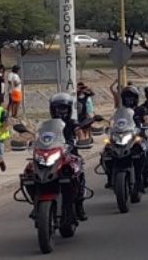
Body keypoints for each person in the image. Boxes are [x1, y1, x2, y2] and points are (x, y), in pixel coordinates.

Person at [48, 93, 89, 221]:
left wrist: (81, 138)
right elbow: (41, 136)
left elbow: (79, 132)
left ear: (69, 109)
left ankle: (79, 206)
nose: (61, 111)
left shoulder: (72, 123)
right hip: (52, 156)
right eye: (58, 108)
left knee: (79, 173)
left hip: (70, 155)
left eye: (64, 108)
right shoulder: (49, 124)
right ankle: (39, 202)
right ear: (53, 110)